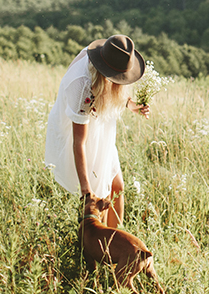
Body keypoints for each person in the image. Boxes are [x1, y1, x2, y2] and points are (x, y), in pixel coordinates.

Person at [45, 34, 151, 228]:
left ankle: (113, 244)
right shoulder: (82, 86)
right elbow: (79, 143)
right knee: (100, 196)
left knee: (117, 187)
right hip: (80, 132)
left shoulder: (106, 59)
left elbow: (114, 92)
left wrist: (133, 105)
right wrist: (87, 191)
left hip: (100, 125)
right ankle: (98, 248)